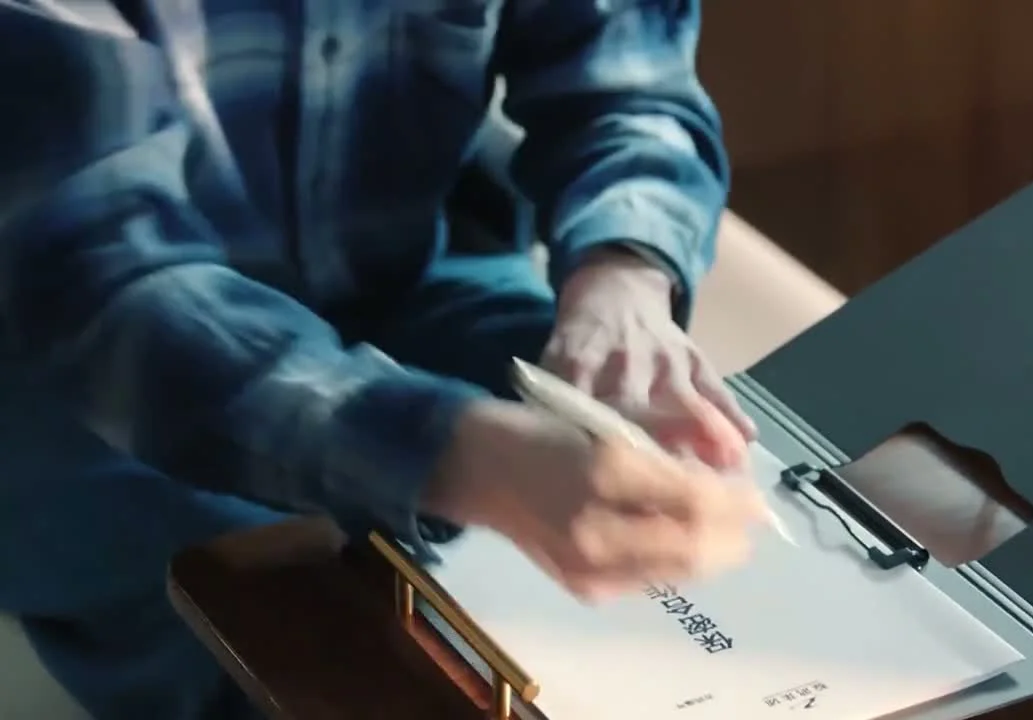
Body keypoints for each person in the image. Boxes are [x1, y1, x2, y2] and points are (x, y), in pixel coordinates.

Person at [0, 1, 767, 717]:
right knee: (307, 651)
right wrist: (460, 457)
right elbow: (95, 271)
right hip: (88, 385)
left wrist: (622, 273)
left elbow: (629, 78)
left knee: (677, 482)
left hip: (423, 275)